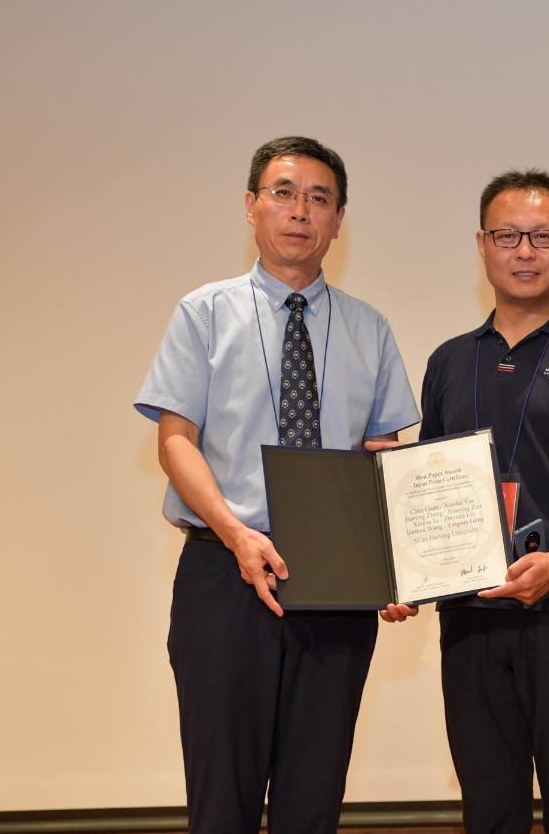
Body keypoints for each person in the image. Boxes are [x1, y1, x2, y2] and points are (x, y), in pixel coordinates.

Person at [133, 136, 420, 833]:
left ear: (339, 219)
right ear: (251, 205)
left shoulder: (370, 329)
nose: (299, 211)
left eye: (319, 199)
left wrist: (396, 564)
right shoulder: (203, 313)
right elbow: (175, 442)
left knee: (312, 800)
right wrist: (237, 534)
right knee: (221, 800)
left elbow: (385, 458)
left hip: (337, 582)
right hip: (223, 572)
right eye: (283, 193)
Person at [395, 169, 549, 833]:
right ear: (482, 244)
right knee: (488, 808)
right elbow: (426, 489)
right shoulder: (449, 361)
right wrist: (402, 576)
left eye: (543, 236)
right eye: (508, 235)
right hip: (470, 616)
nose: (526, 251)